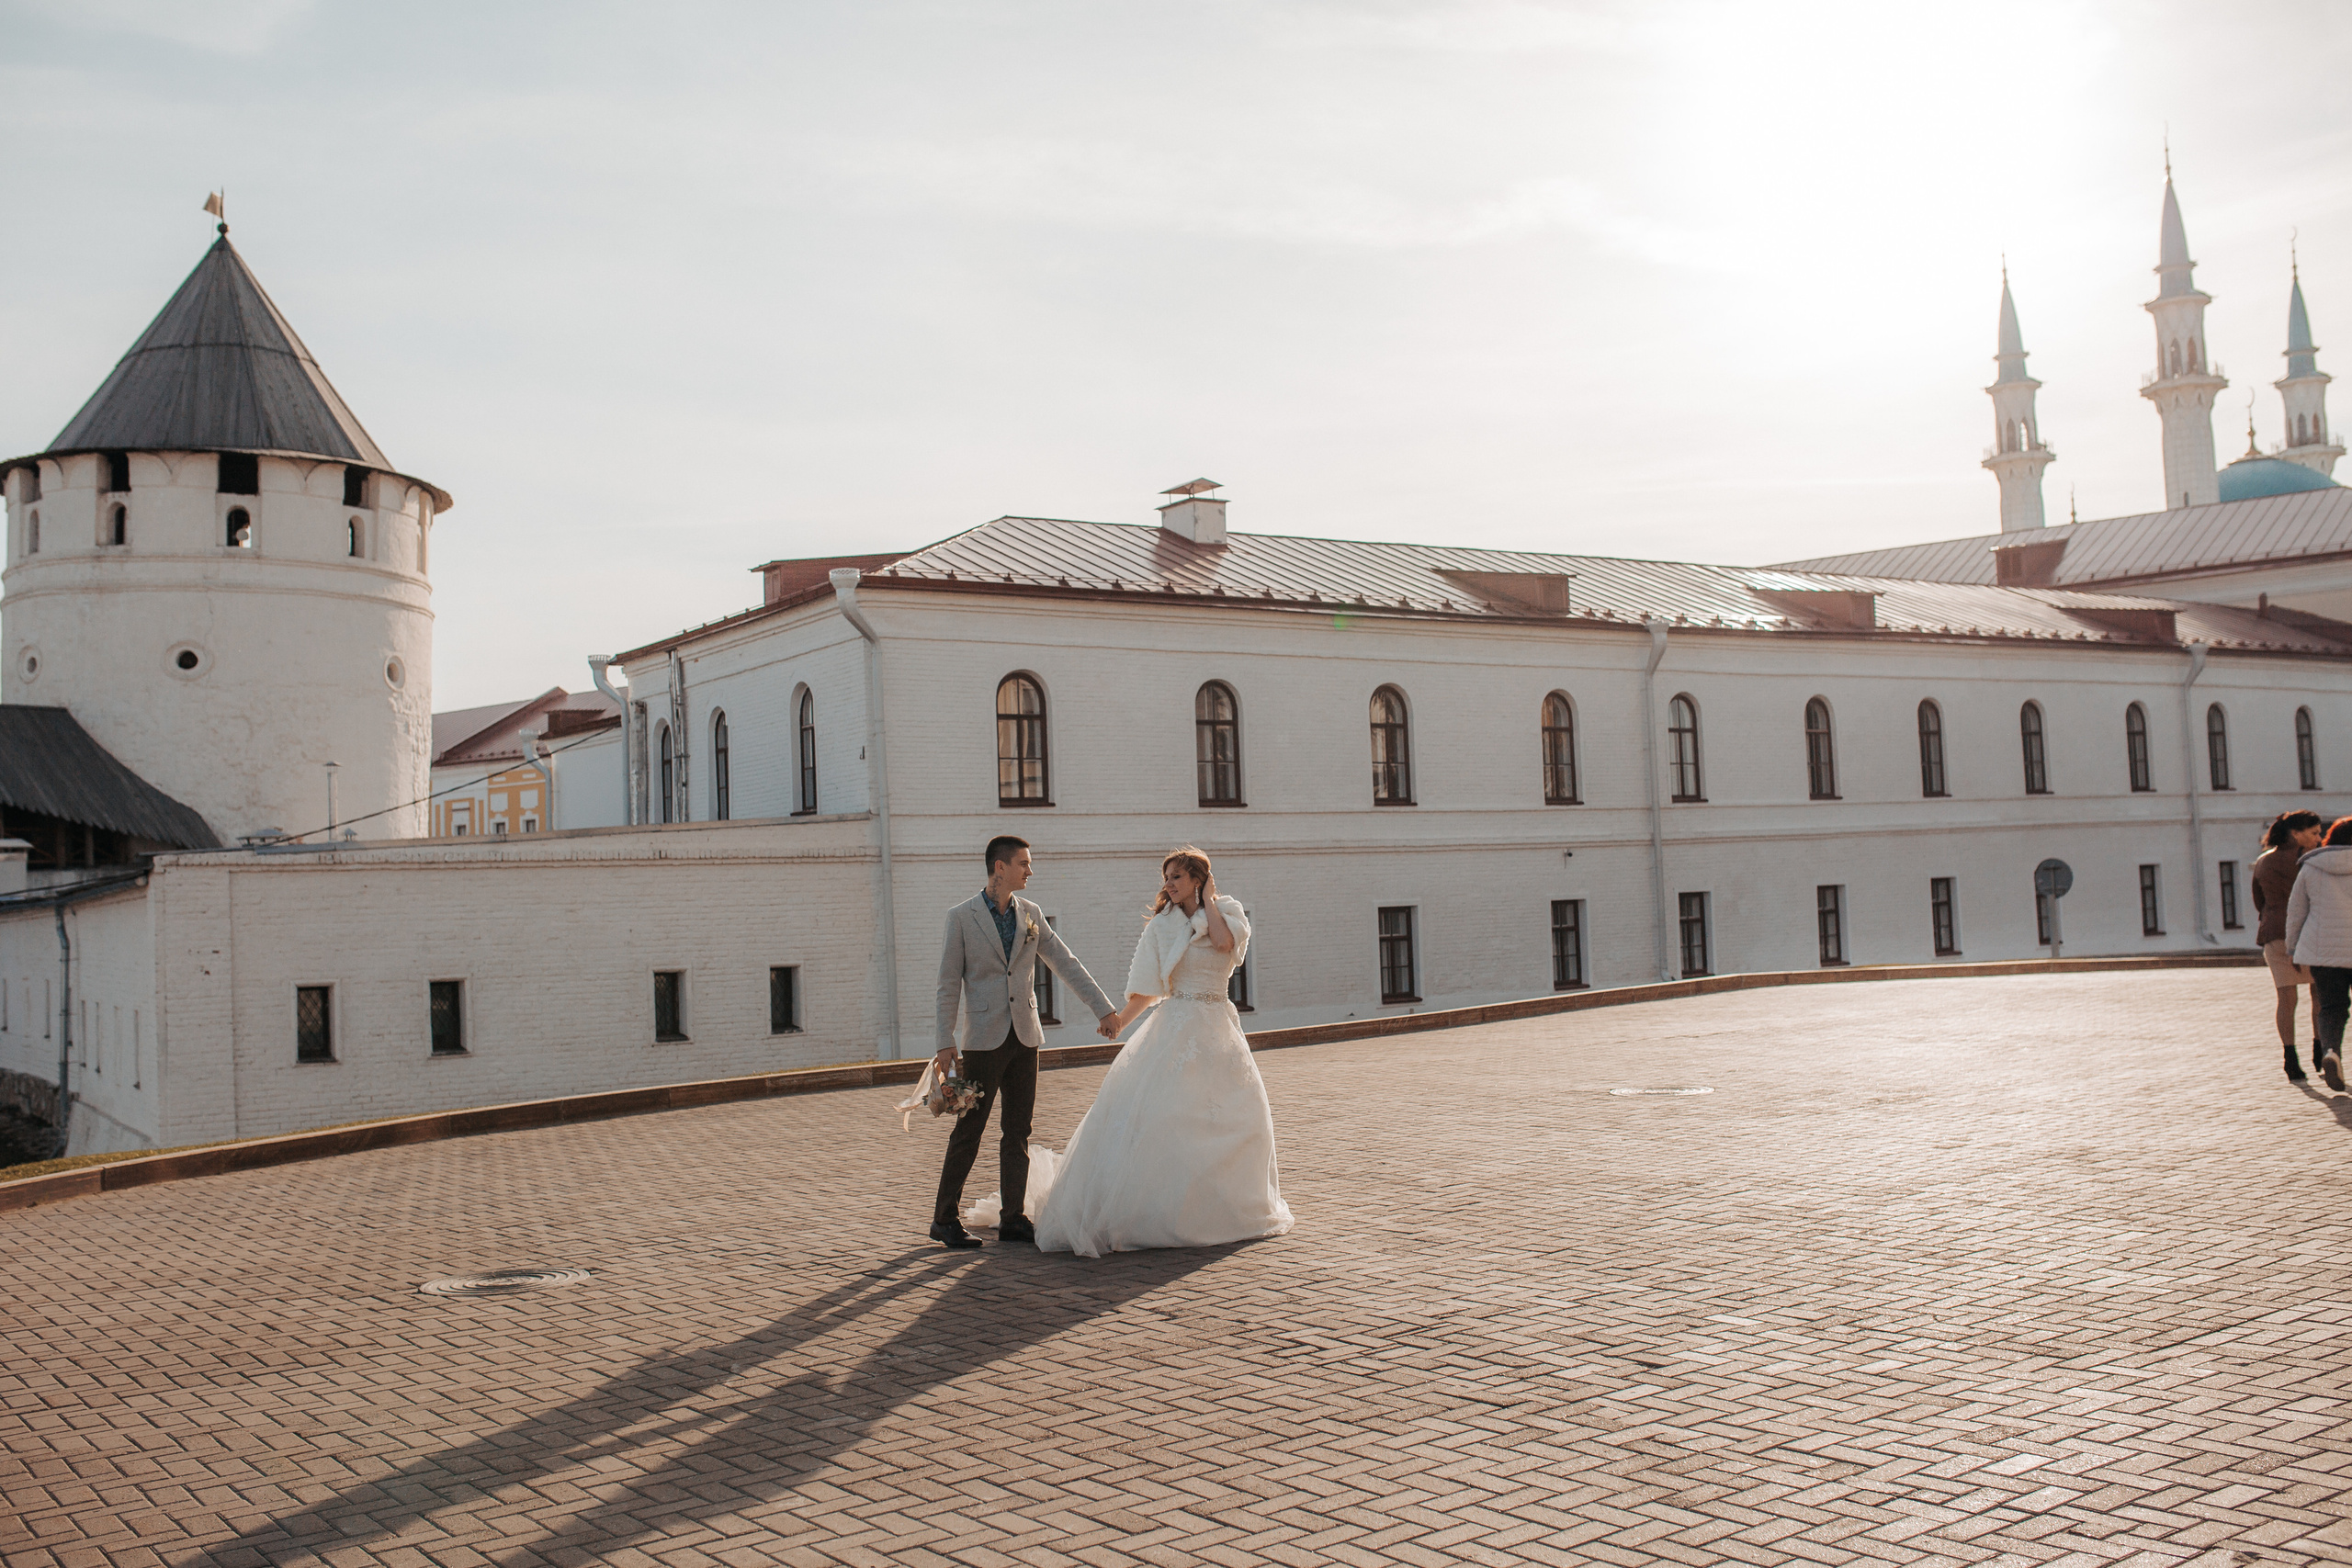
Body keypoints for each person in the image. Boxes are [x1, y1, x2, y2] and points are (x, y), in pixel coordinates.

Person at [1013, 846, 1294, 1258]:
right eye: (1166, 877)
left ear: (1198, 879)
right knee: (1166, 1116)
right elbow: (1147, 987)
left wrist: (1210, 901)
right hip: (1176, 1025)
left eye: (1177, 877)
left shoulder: (1229, 912)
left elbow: (1223, 945)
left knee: (1234, 1116)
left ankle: (1227, 1208)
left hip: (1218, 1027)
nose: (1168, 884)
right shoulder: (1160, 926)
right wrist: (1120, 1021)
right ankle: (1157, 1212)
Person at [928, 835, 1120, 1250]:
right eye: (1023, 864)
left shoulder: (1031, 914)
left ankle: (1013, 1218)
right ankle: (944, 1219)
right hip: (982, 1041)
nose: (1030, 871)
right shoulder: (961, 918)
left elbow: (1065, 962)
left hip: (1025, 1037)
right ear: (1000, 867)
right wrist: (945, 1041)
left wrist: (1102, 1009)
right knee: (970, 1128)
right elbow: (947, 984)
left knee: (1018, 1130)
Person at [2253, 809, 2326, 1081]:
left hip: (2273, 933)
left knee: (2286, 999)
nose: (2320, 839)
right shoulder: (2309, 861)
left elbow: (2258, 900)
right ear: (2296, 833)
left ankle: (2290, 1057)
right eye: (2315, 833)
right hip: (2308, 932)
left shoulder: (2263, 862)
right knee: (2318, 994)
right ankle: (2320, 1050)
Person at [2284, 815, 2352, 1093]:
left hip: (2325, 952)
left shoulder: (2311, 867)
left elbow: (2296, 912)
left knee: (2332, 1007)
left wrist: (2292, 948)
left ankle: (2331, 1052)